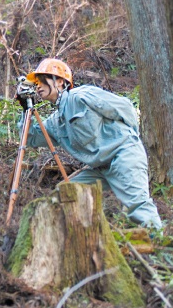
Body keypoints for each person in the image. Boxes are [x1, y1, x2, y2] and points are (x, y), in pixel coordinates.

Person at [16, 58, 163, 229]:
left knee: (139, 208)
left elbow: (126, 108)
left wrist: (130, 142)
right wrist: (25, 108)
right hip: (99, 168)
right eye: (36, 83)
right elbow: (30, 138)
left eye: (43, 80)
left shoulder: (82, 96)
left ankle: (159, 244)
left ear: (61, 81)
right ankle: (82, 238)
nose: (38, 86)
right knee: (63, 196)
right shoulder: (56, 122)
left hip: (123, 156)